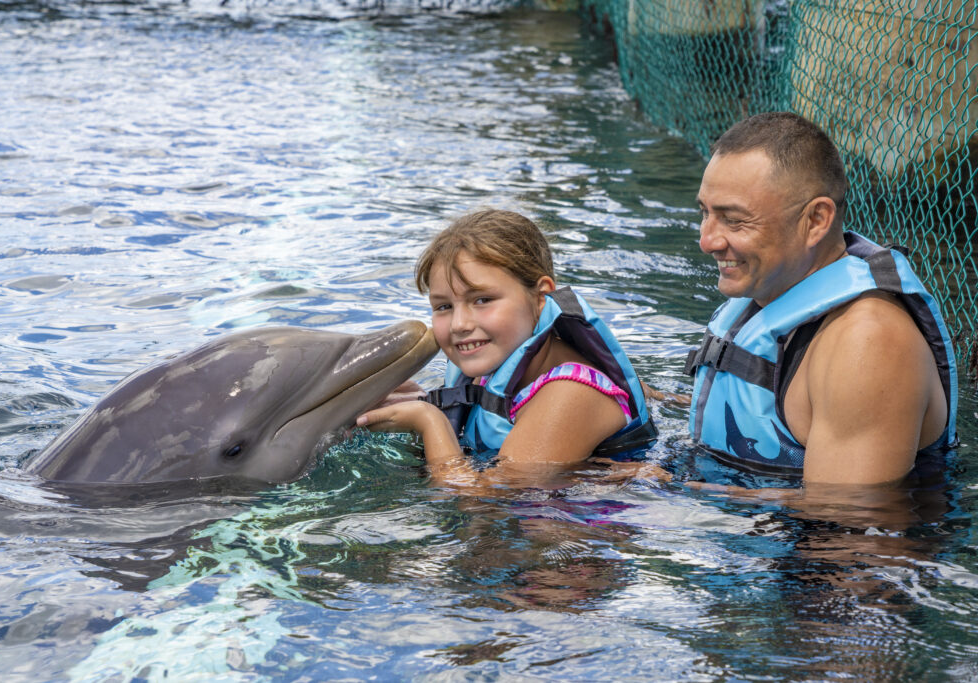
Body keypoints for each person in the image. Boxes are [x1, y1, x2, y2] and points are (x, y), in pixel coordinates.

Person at [685, 111, 957, 486]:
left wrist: (666, 494)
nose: (707, 241)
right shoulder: (768, 292)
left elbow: (844, 527)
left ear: (816, 221)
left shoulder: (867, 343)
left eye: (734, 221)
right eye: (705, 213)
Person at [356, 209, 660, 487]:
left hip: (573, 536)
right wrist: (428, 402)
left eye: (482, 300)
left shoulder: (571, 394)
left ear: (541, 296)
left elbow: (480, 501)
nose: (459, 323)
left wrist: (428, 421)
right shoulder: (499, 360)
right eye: (444, 306)